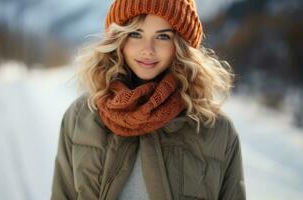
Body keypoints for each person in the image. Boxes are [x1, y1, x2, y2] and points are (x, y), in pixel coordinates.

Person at [51, 0, 246, 199]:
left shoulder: (216, 129)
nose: (148, 49)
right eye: (135, 33)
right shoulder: (80, 116)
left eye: (163, 36)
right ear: (118, 38)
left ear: (181, 45)